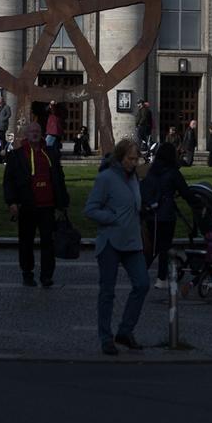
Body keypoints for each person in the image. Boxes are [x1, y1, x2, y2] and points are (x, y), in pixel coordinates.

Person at [84, 138, 150, 355]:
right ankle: (105, 337)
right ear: (120, 157)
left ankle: (125, 330)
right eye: (130, 159)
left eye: (136, 158)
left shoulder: (134, 179)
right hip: (111, 241)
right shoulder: (106, 178)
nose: (134, 162)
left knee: (142, 284)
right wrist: (111, 217)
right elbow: (90, 209)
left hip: (132, 241)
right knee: (107, 292)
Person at [3, 122, 69, 287]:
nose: (35, 134)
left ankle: (46, 275)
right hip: (27, 205)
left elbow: (59, 179)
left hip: (47, 206)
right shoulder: (17, 155)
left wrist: (63, 202)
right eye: (32, 131)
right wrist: (11, 202)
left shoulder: (51, 153)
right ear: (27, 133)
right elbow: (8, 181)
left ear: (41, 133)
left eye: (37, 131)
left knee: (48, 242)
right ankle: (27, 273)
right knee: (26, 242)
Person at [142, 139, 197, 288]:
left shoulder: (152, 171)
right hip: (166, 214)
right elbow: (185, 192)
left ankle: (140, 272)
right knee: (164, 247)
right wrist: (196, 203)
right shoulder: (173, 172)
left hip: (151, 213)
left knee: (153, 247)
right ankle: (161, 278)